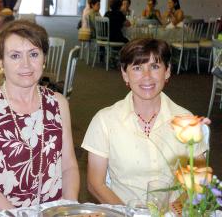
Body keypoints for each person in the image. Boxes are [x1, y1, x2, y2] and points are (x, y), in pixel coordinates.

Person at [0, 20, 80, 215]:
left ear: (44, 58)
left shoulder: (58, 103)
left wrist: (67, 209)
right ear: (1, 62)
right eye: (15, 56)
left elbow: (69, 166)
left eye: (34, 54)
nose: (26, 64)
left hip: (53, 211)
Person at [82, 38, 207, 204]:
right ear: (125, 74)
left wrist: (170, 214)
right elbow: (95, 184)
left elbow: (197, 180)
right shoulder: (105, 121)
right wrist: (128, 215)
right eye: (137, 68)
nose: (147, 77)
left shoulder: (187, 121)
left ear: (167, 71)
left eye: (154, 67)